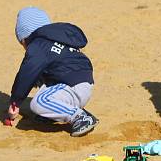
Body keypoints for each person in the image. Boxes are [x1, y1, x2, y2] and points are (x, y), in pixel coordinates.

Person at [8, 7, 98, 137]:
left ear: (25, 37)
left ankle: (80, 116)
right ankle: (58, 114)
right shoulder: (55, 39)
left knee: (39, 102)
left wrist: (15, 101)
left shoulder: (38, 45)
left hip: (72, 85)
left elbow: (26, 74)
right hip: (80, 82)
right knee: (44, 79)